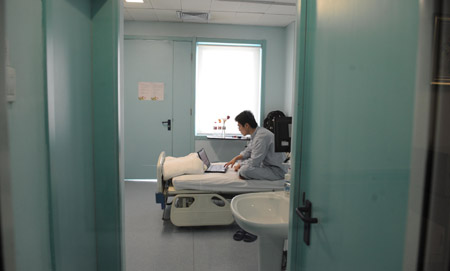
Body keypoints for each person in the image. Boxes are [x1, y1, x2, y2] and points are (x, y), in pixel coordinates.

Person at [225, 110, 287, 181]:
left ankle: (242, 173)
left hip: (277, 171)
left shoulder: (261, 137)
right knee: (243, 161)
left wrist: (241, 165)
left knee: (244, 171)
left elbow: (255, 162)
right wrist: (236, 158)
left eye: (239, 126)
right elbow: (248, 151)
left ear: (246, 125)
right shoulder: (257, 133)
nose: (239, 129)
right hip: (268, 165)